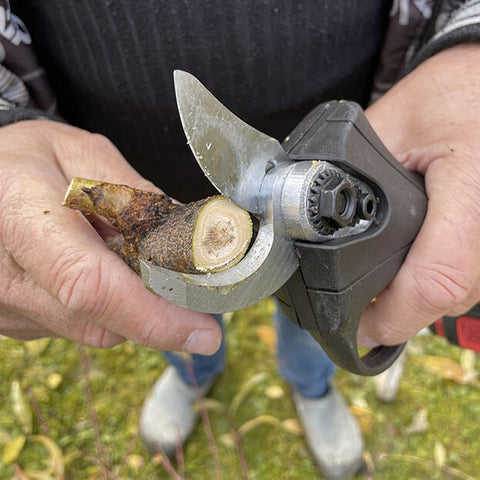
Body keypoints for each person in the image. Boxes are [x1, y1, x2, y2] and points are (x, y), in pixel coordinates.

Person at [0, 1, 479, 478]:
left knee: (313, 324)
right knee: (171, 300)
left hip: (369, 138)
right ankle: (193, 376)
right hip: (151, 184)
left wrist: (469, 51)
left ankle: (312, 389)